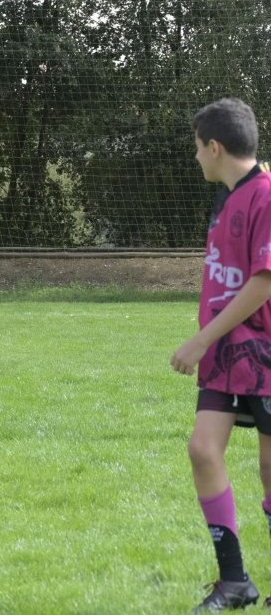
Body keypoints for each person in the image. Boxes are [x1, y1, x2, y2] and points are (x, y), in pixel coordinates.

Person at [170, 98, 271, 612]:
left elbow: (262, 283)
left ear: (215, 146)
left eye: (197, 148)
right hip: (227, 358)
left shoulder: (266, 195)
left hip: (265, 356)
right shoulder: (227, 197)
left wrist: (201, 338)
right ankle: (235, 581)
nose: (196, 159)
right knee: (203, 451)